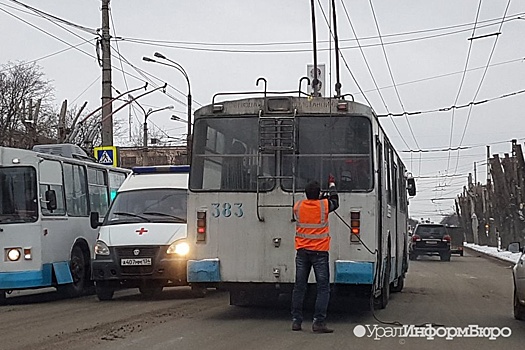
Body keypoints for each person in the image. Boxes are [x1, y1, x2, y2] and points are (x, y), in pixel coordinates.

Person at [291, 176, 339, 333]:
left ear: (305, 193)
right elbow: (335, 201)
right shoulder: (324, 206)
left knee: (299, 287)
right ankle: (319, 322)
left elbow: (312, 204)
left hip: (302, 252)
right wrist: (331, 185)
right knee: (323, 288)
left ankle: (296, 321)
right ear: (318, 193)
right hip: (319, 253)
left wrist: (318, 197)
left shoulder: (297, 206)